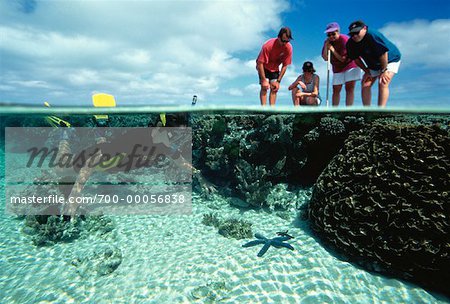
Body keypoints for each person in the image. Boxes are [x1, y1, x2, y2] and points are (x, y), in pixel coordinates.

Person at [346, 20, 401, 107]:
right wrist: (366, 71)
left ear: (365, 28)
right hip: (373, 64)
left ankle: (380, 111)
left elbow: (383, 54)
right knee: (365, 83)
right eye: (352, 34)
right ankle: (367, 111)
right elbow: (356, 59)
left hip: (390, 59)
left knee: (383, 82)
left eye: (357, 32)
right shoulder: (350, 43)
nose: (355, 36)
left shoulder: (373, 35)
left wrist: (384, 70)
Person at [321, 22, 361, 106]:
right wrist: (326, 46)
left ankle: (348, 111)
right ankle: (334, 111)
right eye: (328, 35)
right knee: (336, 89)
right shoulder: (327, 42)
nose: (331, 36)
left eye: (333, 34)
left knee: (349, 88)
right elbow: (325, 58)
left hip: (350, 65)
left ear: (338, 31)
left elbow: (343, 59)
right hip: (337, 68)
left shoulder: (344, 39)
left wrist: (332, 50)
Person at [256, 27, 293, 106]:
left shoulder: (288, 48)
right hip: (263, 67)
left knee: (274, 88)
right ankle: (264, 109)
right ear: (278, 37)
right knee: (264, 87)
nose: (285, 43)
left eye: (287, 41)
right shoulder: (268, 45)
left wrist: (278, 81)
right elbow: (260, 63)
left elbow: (285, 65)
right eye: (283, 41)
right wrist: (263, 80)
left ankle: (272, 110)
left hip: (275, 68)